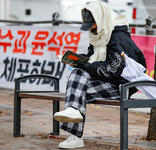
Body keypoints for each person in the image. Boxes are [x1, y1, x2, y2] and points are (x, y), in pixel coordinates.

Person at [53, 1, 146, 149]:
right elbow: (93, 59)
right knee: (78, 79)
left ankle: (75, 133)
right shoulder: (99, 33)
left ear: (101, 19)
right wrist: (79, 60)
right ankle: (74, 114)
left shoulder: (118, 36)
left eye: (93, 24)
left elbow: (115, 69)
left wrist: (86, 65)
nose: (92, 29)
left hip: (122, 85)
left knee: (77, 89)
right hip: (105, 81)